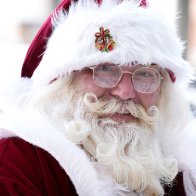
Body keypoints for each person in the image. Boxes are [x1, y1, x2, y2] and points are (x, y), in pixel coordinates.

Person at [0, 0, 196, 195]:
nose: (126, 92)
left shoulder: (181, 175)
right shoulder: (19, 163)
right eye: (105, 69)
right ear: (64, 81)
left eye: (145, 74)